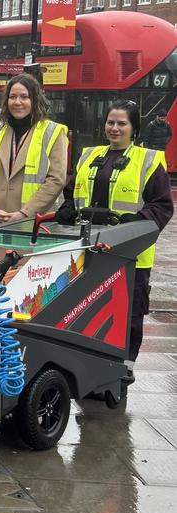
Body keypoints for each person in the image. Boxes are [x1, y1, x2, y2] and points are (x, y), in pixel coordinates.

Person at [56, 100, 173, 376]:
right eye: (111, 122)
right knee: (89, 308)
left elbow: (161, 205)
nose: (115, 128)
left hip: (130, 254)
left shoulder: (148, 160)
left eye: (122, 123)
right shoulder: (88, 155)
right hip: (90, 250)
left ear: (134, 128)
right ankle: (89, 361)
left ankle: (123, 367)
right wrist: (67, 207)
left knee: (128, 313)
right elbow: (73, 192)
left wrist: (138, 222)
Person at [0, 73, 67, 223]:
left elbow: (56, 180)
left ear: (35, 100)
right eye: (12, 97)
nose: (17, 102)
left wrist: (24, 213)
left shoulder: (53, 132)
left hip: (34, 224)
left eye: (24, 97)